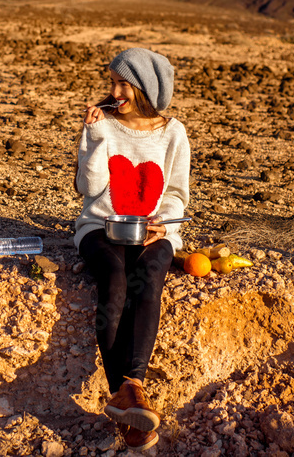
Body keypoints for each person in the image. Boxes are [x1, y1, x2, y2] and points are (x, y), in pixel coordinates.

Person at [74, 47, 190, 451]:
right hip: (99, 226)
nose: (114, 91)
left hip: (154, 231)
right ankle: (127, 396)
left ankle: (130, 391)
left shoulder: (173, 132)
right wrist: (94, 137)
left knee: (150, 276)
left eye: (123, 83)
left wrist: (165, 222)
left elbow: (176, 192)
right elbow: (88, 190)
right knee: (116, 279)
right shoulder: (102, 123)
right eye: (112, 82)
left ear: (144, 88)